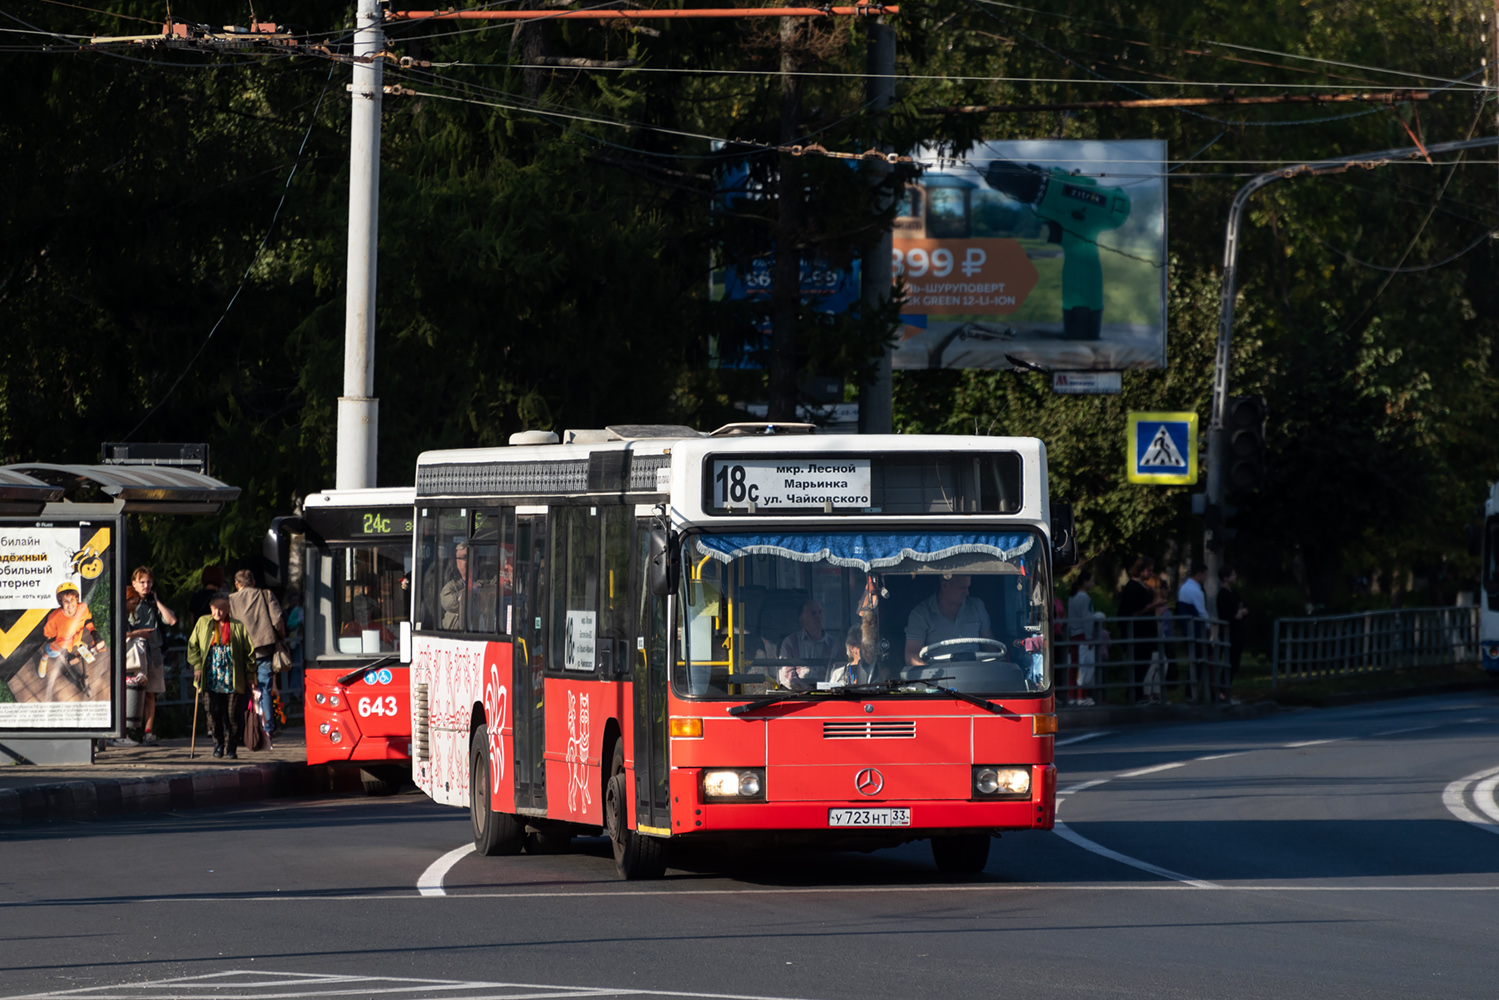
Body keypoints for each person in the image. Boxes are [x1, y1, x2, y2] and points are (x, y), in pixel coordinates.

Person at [189, 595, 253, 759]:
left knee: (232, 715)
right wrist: (197, 666)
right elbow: (193, 646)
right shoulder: (203, 623)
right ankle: (218, 743)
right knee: (213, 712)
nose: (217, 612)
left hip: (233, 677)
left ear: (228, 609)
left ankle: (231, 746)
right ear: (210, 609)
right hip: (211, 677)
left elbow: (249, 653)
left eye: (221, 609)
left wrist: (250, 675)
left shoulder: (237, 626)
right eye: (214, 608)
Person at [228, 568, 287, 742]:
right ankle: (268, 727)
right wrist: (280, 638)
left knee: (242, 690)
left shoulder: (230, 600)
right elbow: (277, 620)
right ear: (253, 582)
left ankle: (242, 728)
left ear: (237, 584)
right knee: (265, 689)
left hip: (240, 651)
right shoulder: (265, 595)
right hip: (264, 648)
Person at [125, 566, 178, 745]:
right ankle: (128, 731)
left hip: (153, 653)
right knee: (131, 692)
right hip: (133, 655)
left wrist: (157, 602)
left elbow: (171, 620)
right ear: (134, 583)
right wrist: (139, 633)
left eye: (148, 582)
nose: (146, 585)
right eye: (142, 582)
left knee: (150, 694)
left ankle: (148, 732)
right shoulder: (128, 601)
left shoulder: (152, 604)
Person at [905, 573, 993, 666]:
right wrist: (933, 678)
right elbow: (911, 657)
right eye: (962, 588)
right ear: (944, 585)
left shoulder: (977, 606)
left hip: (976, 673)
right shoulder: (920, 614)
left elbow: (990, 647)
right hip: (940, 676)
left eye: (968, 587)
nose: (967, 592)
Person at [41, 581, 104, 702]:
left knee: (84, 653)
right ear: (61, 602)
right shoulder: (54, 618)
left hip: (75, 640)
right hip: (59, 645)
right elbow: (50, 639)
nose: (70, 604)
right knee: (50, 652)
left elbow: (87, 621)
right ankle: (44, 658)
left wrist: (95, 635)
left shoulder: (83, 608)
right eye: (66, 601)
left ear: (77, 600)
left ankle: (83, 680)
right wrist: (65, 654)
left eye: (72, 600)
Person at [1117, 557, 1167, 704]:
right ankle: (1135, 695)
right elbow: (1134, 611)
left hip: (1146, 631)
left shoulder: (1143, 586)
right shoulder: (1132, 587)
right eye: (1148, 570)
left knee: (1144, 664)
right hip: (1138, 631)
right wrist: (1153, 606)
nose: (1151, 574)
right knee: (1139, 664)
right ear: (1140, 570)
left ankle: (1137, 694)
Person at [776, 599, 837, 690]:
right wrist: (807, 689)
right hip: (799, 697)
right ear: (802, 619)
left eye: (820, 612)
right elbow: (787, 678)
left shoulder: (833, 644)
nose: (819, 616)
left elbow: (840, 674)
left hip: (830, 696)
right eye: (813, 613)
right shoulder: (790, 643)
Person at [1065, 569, 1100, 707]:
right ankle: (1081, 696)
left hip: (1073, 634)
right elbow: (1087, 619)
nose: (1092, 583)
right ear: (1085, 582)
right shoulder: (1085, 598)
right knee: (1083, 667)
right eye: (1091, 581)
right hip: (1082, 635)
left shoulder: (1071, 597)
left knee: (1074, 666)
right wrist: (1089, 636)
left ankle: (1072, 696)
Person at [1215, 565, 1250, 702]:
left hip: (1237, 632)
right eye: (1233, 575)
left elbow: (1245, 606)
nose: (1235, 577)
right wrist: (1238, 613)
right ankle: (1222, 692)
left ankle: (1225, 691)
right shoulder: (1222, 595)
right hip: (1230, 633)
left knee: (1235, 663)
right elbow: (1227, 615)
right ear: (1225, 577)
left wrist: (1242, 611)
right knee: (1230, 663)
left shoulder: (1233, 593)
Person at [1176, 562, 1209, 701]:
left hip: (1187, 629)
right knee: (1199, 662)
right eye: (1205, 575)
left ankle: (1190, 692)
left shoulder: (1184, 588)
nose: (1205, 578)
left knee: (1193, 663)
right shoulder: (1196, 591)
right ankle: (1192, 693)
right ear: (1199, 574)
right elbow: (1202, 613)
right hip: (1197, 630)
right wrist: (1208, 627)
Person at [441, 542, 469, 630]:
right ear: (455, 562)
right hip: (454, 635)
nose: (469, 561)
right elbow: (448, 602)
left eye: (471, 557)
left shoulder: (482, 582)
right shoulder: (450, 587)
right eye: (464, 558)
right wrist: (463, 596)